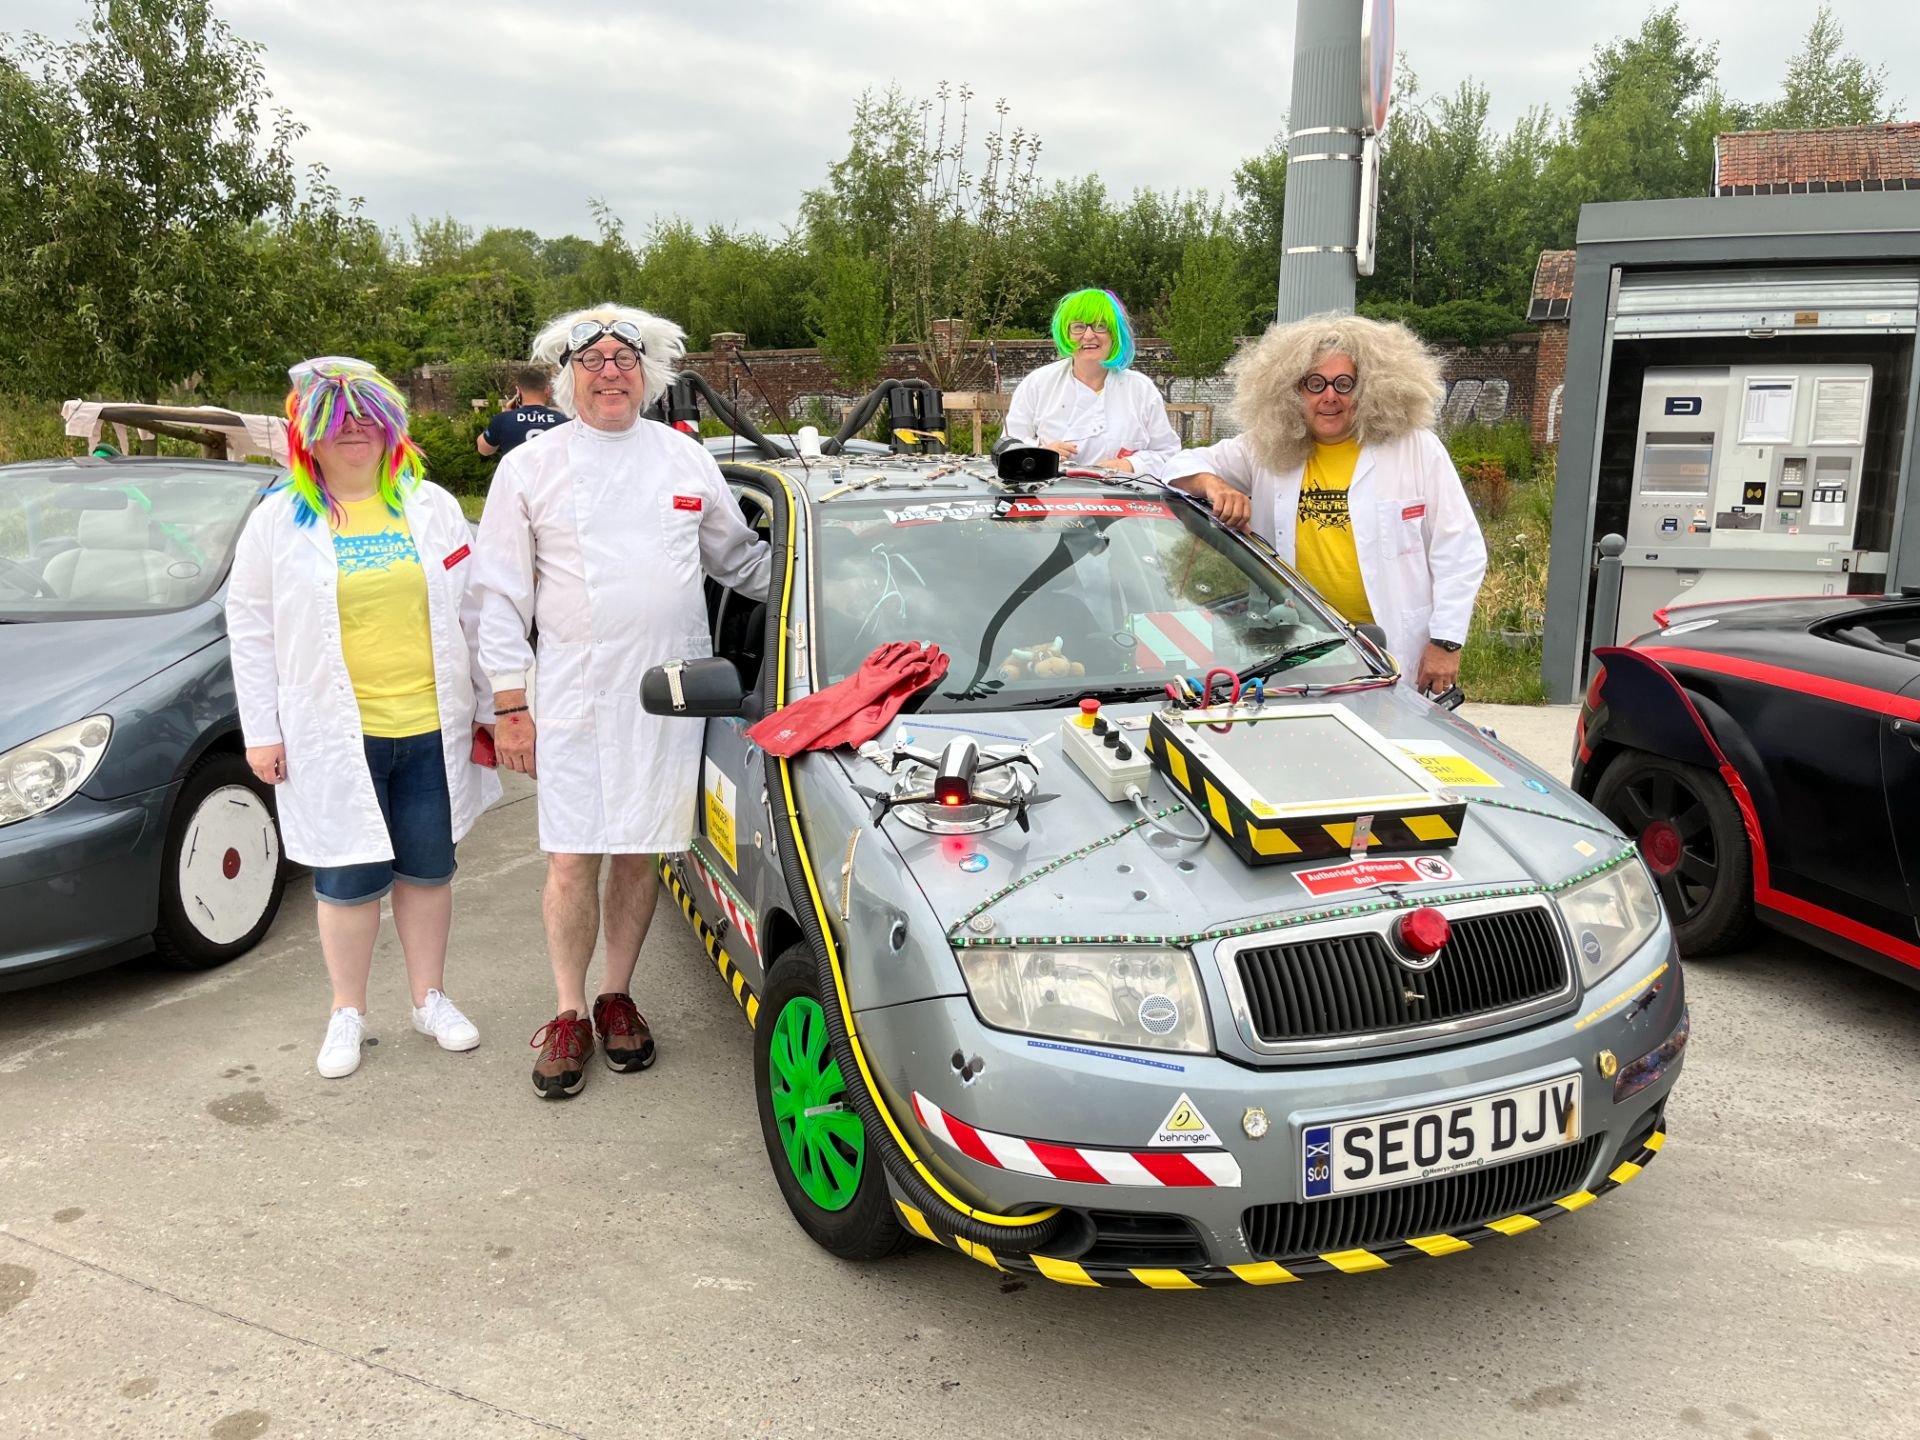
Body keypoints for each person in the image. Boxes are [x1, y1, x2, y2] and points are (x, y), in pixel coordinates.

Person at [472, 305, 771, 1100]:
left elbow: (741, 563)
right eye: (593, 359)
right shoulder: (530, 468)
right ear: (567, 374)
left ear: (649, 372)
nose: (610, 372)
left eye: (624, 358)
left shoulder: (684, 458)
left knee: (640, 849)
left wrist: (833, 576)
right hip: (572, 694)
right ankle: (568, 1011)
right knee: (573, 854)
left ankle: (616, 994)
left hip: (668, 693)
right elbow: (498, 596)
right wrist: (509, 704)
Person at [226, 357, 502, 1079]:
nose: (354, 431)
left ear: (390, 428)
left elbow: (474, 612)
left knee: (428, 871)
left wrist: (496, 704)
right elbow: (250, 628)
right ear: (308, 435)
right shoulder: (278, 522)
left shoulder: (430, 506)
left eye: (367, 418)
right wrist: (262, 731)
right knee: (347, 877)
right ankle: (346, 1010)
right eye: (336, 420)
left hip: (428, 726)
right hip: (331, 734)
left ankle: (429, 998)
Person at [1163, 313, 1487, 694]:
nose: (1329, 396)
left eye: (1344, 384)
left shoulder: (1415, 449)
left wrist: (1446, 642)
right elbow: (1176, 466)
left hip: (1395, 649)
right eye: (1315, 384)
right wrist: (1214, 485)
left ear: (1368, 389)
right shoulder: (1267, 447)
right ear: (1293, 391)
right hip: (1304, 649)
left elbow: (1459, 548)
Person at [1000, 288, 1180, 473]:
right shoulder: (1038, 384)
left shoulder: (1141, 389)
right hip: (1051, 490)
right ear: (1066, 333)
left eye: (1100, 326)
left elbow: (1168, 454)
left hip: (1122, 490)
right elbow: (1007, 447)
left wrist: (1130, 465)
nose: (1088, 335)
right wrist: (1040, 453)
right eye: (1078, 327)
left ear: (1115, 333)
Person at [476, 367, 566, 458]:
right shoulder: (563, 421)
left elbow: (484, 450)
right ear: (547, 390)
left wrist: (507, 413)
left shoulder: (503, 420)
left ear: (518, 391)